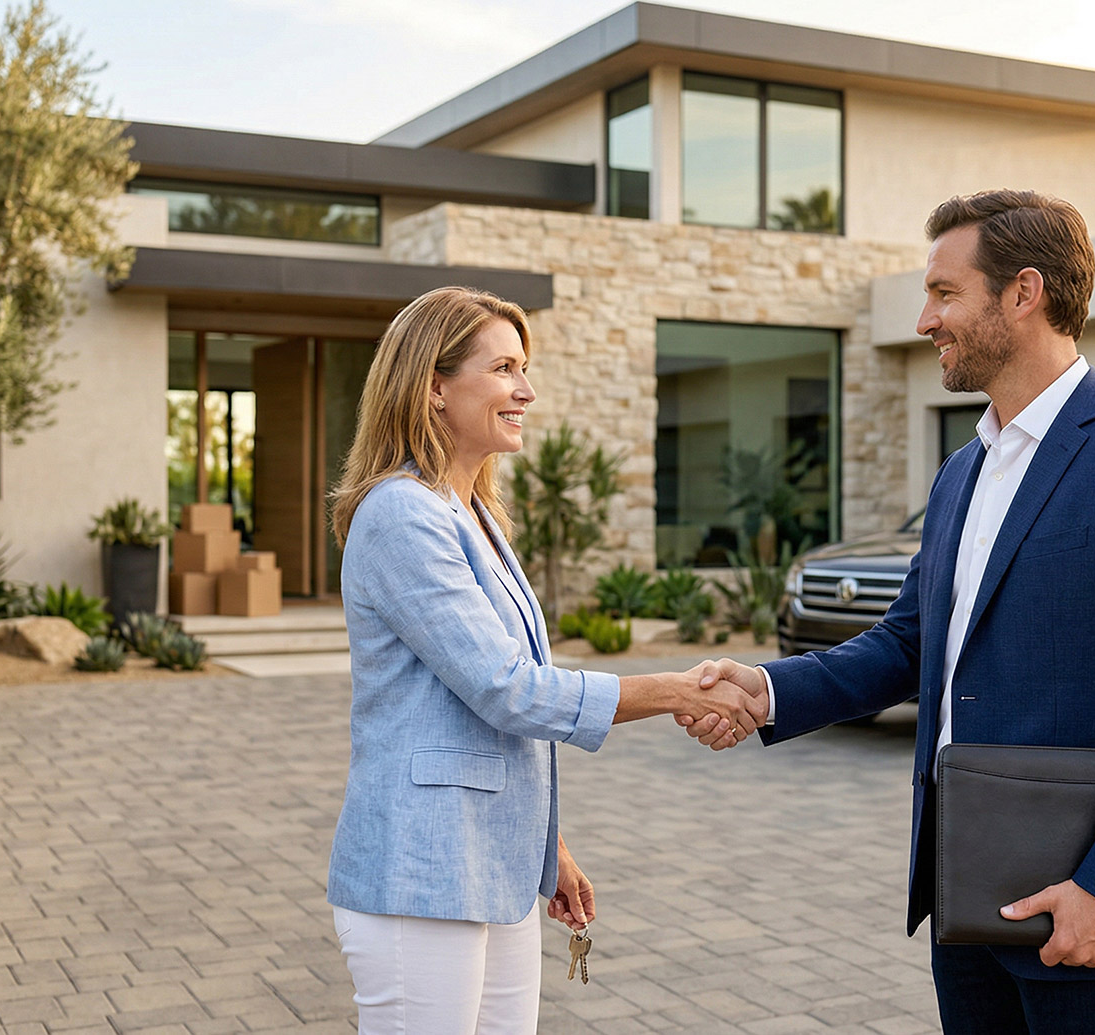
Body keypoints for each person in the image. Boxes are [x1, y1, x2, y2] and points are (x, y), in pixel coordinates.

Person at [682, 190, 1095, 1034]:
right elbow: (913, 641)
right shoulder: (962, 471)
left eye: (945, 293)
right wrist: (768, 689)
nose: (924, 319)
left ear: (1024, 293)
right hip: (967, 902)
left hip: (1087, 920)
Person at [325, 286, 767, 1033]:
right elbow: (508, 690)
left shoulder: (477, 516)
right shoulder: (401, 514)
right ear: (433, 386)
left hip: (490, 866)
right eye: (503, 368)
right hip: (421, 872)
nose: (525, 390)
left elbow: (488, 706)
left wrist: (545, 844)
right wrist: (676, 688)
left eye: (523, 367)